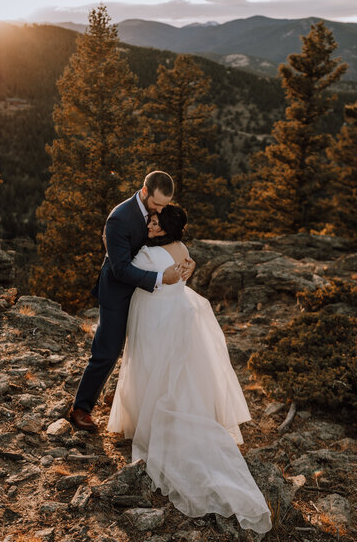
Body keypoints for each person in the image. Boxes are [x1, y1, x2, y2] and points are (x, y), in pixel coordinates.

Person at [107, 205, 272, 534]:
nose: (151, 225)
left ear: (166, 228)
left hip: (156, 316)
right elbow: (177, 270)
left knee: (150, 365)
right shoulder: (182, 249)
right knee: (173, 374)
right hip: (176, 312)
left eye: (156, 222)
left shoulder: (146, 254)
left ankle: (147, 420)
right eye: (151, 221)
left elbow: (121, 270)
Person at [69, 171, 195, 431]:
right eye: (157, 205)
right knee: (108, 350)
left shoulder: (158, 209)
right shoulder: (119, 218)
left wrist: (186, 262)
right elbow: (120, 270)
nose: (160, 210)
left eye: (165, 206)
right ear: (145, 191)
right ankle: (81, 408)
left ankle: (125, 398)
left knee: (144, 346)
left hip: (147, 297)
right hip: (119, 292)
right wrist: (162, 277)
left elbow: (167, 236)